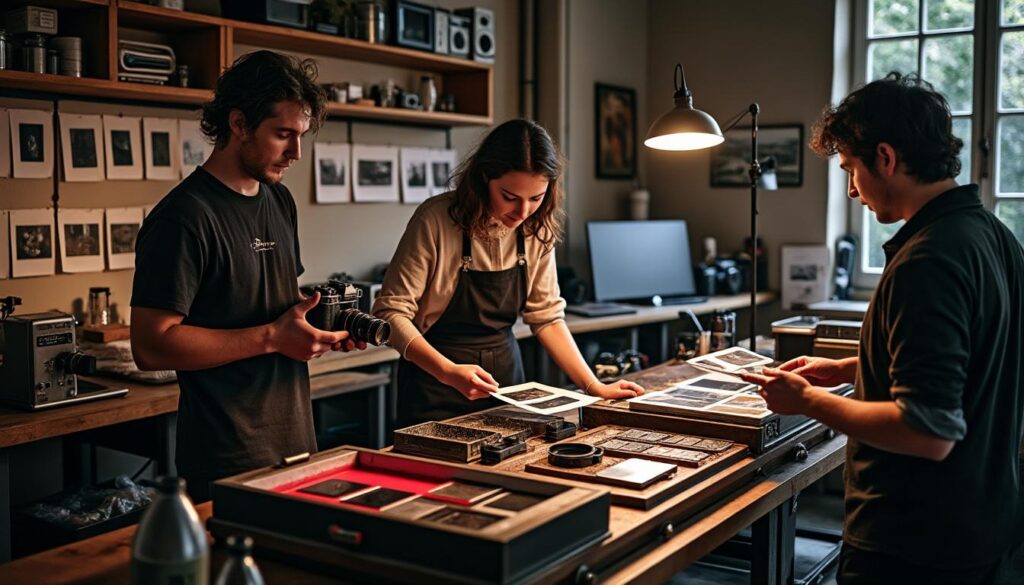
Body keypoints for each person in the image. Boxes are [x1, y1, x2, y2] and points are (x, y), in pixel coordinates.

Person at [739, 73, 1024, 584]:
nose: (851, 189)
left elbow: (928, 431)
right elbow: (973, 359)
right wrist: (853, 366)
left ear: (886, 159)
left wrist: (804, 400)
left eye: (850, 169)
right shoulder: (993, 236)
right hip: (986, 527)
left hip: (914, 546)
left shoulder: (928, 260)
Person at [131, 51, 362, 502]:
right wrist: (273, 339)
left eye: (300, 136)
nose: (296, 153)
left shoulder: (279, 201)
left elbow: (274, 299)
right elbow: (151, 345)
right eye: (283, 135)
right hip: (227, 453)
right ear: (238, 124)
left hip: (296, 441)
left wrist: (321, 329)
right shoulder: (182, 218)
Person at [374, 119, 645, 427]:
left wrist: (593, 386)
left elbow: (547, 317)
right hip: (435, 386)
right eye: (510, 197)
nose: (523, 211)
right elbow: (390, 314)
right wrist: (447, 371)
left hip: (507, 386)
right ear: (484, 178)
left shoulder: (536, 228)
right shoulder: (434, 220)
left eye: (536, 198)